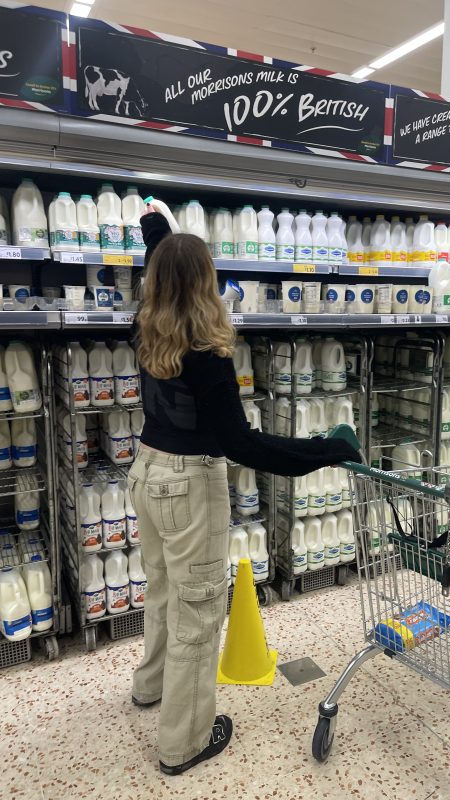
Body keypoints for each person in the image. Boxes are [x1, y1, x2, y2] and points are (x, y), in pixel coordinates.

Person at [127, 206, 360, 776]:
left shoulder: (144, 324)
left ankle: (150, 689)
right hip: (189, 486)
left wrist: (154, 224)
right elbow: (245, 446)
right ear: (207, 284)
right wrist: (324, 451)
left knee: (161, 593)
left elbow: (163, 262)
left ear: (154, 280)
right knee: (199, 616)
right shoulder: (208, 355)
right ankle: (182, 743)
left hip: (145, 473)